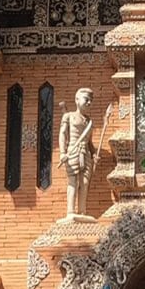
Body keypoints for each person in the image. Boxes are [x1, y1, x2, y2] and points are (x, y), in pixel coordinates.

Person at [59, 87, 95, 220]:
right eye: (86, 99)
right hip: (72, 152)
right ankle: (70, 211)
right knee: (73, 181)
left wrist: (94, 153)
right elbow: (62, 134)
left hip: (85, 153)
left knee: (84, 183)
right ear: (77, 100)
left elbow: (89, 141)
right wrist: (62, 152)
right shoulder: (68, 116)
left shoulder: (89, 121)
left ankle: (82, 211)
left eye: (91, 100)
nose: (89, 103)